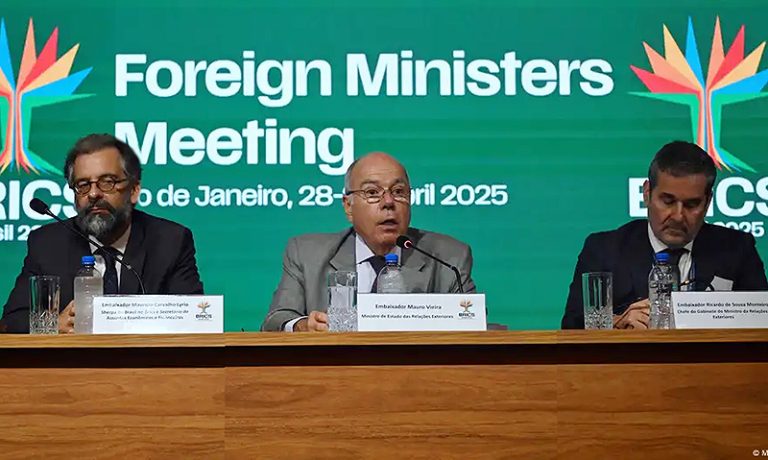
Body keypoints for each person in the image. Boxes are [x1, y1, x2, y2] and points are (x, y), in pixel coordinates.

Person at [1, 134, 204, 333]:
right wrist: (53, 324)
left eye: (107, 182)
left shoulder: (170, 242)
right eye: (83, 185)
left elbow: (195, 320)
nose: (93, 194)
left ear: (134, 190)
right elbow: (10, 323)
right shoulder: (47, 244)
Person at [562, 141, 768, 329]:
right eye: (668, 201)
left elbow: (761, 322)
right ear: (647, 193)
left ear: (707, 202)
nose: (678, 216)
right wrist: (616, 323)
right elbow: (572, 327)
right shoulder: (604, 250)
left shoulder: (737, 249)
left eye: (691, 204)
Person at [262, 152, 476, 332]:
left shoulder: (449, 258)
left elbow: (473, 327)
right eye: (372, 193)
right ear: (348, 207)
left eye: (398, 192)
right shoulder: (307, 255)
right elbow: (276, 320)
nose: (388, 202)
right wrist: (302, 326)